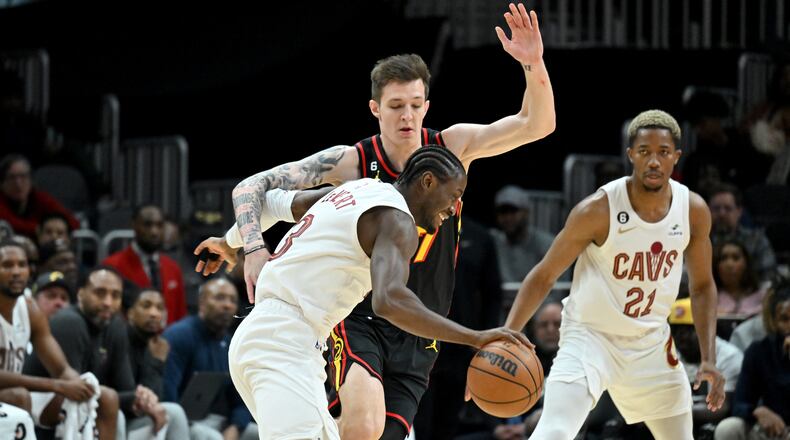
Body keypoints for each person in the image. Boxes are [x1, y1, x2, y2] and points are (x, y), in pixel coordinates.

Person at [213, 4, 554, 438]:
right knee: (363, 424)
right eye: (396, 106)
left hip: (422, 325)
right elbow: (265, 193)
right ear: (375, 108)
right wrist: (246, 244)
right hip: (356, 316)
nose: (407, 116)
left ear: (427, 105)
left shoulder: (452, 149)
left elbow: (537, 124)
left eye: (415, 105)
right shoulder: (351, 164)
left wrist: (532, 62)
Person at [196, 147, 530, 440]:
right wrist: (475, 337)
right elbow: (389, 301)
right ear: (427, 182)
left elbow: (272, 204)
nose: (455, 207)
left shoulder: (359, 190)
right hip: (282, 341)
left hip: (284, 341)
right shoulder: (397, 222)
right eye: (454, 194)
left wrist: (229, 242)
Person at [504, 110, 726, 439]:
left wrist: (709, 358)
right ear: (630, 156)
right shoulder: (598, 209)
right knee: (553, 431)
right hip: (590, 338)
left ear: (676, 157)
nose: (653, 161)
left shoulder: (692, 211)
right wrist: (508, 332)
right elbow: (545, 274)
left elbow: (704, 286)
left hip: (649, 342)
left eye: (663, 153)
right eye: (644, 152)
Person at [0, 240, 111, 438]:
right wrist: (57, 385)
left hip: (15, 393)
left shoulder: (30, 309)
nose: (16, 272)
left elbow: (60, 369)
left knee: (105, 397)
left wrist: (78, 385)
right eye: (7, 265)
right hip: (12, 395)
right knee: (18, 397)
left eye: (22, 265)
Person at [162, 278, 256, 440]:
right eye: (219, 298)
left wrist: (235, 427)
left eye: (232, 300)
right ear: (202, 303)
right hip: (184, 422)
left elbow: (242, 399)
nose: (227, 305)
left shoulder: (231, 343)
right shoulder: (179, 336)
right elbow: (168, 395)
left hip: (220, 421)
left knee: (263, 433)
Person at [714, 281, 790, 440]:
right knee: (728, 428)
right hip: (774, 430)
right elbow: (739, 404)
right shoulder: (759, 351)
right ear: (774, 321)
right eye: (784, 319)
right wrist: (758, 411)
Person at [668, 298, 743, 436]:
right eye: (676, 330)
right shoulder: (669, 354)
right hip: (678, 422)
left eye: (688, 329)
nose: (681, 337)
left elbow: (722, 408)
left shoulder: (729, 356)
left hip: (715, 425)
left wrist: (668, 414)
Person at [103, 204, 187, 325]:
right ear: (134, 225)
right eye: (147, 225)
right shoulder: (112, 266)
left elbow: (180, 316)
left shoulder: (173, 268)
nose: (154, 232)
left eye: (159, 225)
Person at [0, 154, 80, 239]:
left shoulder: (40, 198)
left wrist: (50, 230)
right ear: (2, 183)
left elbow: (71, 222)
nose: (18, 184)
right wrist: (43, 229)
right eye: (12, 178)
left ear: (31, 179)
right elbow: (9, 224)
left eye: (23, 176)